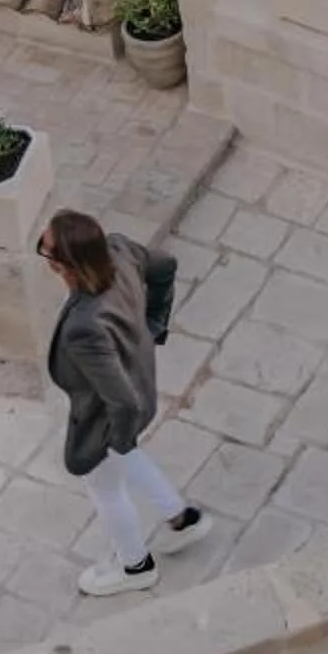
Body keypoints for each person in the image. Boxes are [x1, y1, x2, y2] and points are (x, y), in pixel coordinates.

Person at [40, 207, 209, 593]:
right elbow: (165, 266)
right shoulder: (120, 250)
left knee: (105, 488)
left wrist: (116, 443)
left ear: (60, 265)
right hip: (139, 380)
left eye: (45, 249)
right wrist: (153, 326)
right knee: (121, 465)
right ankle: (181, 518)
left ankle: (135, 566)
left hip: (110, 412)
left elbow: (123, 403)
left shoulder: (84, 328)